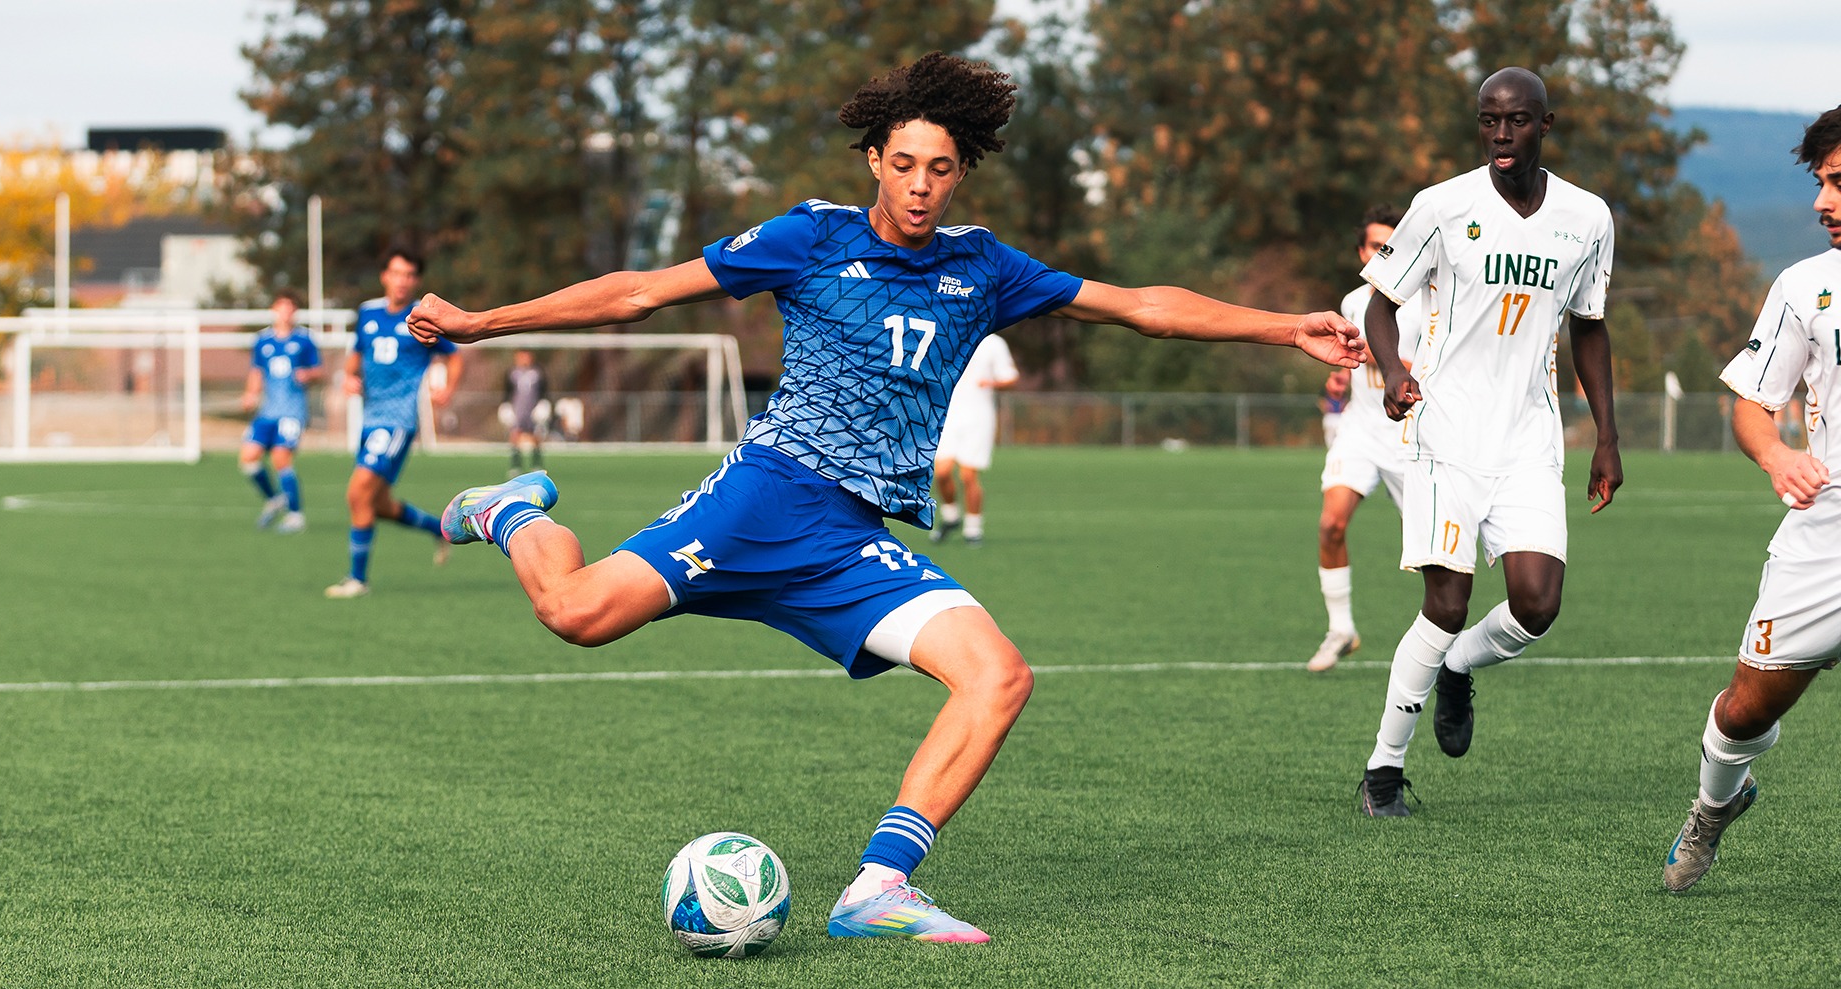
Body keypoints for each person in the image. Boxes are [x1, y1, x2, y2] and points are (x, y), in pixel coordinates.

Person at [409, 52, 1361, 941]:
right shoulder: (809, 238)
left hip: (849, 541)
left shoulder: (984, 266)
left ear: (961, 173)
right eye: (902, 164)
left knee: (998, 676)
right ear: (874, 159)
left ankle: (879, 887)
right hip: (763, 501)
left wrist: (1286, 329)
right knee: (574, 615)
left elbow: (1142, 307)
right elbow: (639, 293)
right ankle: (512, 510)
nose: (918, 185)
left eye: (939, 169)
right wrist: (481, 323)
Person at [1355, 67, 1621, 816]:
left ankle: (1459, 668)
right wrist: (1394, 370)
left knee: (1538, 605)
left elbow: (1590, 327)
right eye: (1488, 120)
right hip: (1445, 432)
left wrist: (1608, 435)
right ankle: (1383, 771)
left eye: (1517, 120)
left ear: (1546, 124)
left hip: (1529, 439)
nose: (1501, 134)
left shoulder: (1587, 217)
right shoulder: (1443, 206)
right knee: (1447, 603)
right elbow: (1381, 305)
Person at [1663, 106, 1841, 892]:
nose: (1823, 202)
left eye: (1839, 183)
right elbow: (1751, 404)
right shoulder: (1805, 287)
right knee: (1744, 711)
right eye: (1821, 183)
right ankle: (1713, 806)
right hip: (1827, 528)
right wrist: (1776, 454)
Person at [1308, 205, 1430, 672]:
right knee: (1330, 525)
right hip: (1359, 431)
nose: (1384, 253)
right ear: (1362, 252)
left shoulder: (1427, 300)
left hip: (1411, 437)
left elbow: (1434, 368)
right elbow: (1351, 363)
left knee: (1429, 555)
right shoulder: (1352, 302)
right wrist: (1341, 377)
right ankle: (1340, 629)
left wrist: (1387, 359)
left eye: (1391, 245)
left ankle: (1439, 643)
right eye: (1376, 246)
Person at [325, 247, 465, 599]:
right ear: (384, 276)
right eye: (397, 273)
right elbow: (356, 356)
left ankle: (357, 579)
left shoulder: (422, 317)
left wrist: (447, 388)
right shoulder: (368, 312)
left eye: (409, 275)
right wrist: (349, 378)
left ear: (416, 281)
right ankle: (438, 528)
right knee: (378, 504)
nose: (402, 281)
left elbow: (454, 356)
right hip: (369, 420)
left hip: (397, 421)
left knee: (357, 492)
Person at [239, 290, 323, 533]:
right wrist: (250, 394)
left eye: (290, 308)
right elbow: (257, 371)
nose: (285, 313)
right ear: (274, 310)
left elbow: (319, 370)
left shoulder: (305, 340)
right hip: (268, 412)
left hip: (292, 412)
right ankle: (274, 499)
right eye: (281, 307)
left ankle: (296, 516)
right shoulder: (263, 341)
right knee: (248, 457)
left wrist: (308, 374)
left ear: (295, 312)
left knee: (280, 458)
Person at [929, 331, 1019, 545]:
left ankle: (973, 529)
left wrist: (992, 383)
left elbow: (1011, 378)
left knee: (968, 475)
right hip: (947, 416)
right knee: (941, 472)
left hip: (978, 417)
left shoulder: (993, 343)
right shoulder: (947, 335)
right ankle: (951, 517)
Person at [503, 348, 550, 476]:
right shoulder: (512, 373)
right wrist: (506, 405)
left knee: (536, 436)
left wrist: (543, 404)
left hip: (533, 409)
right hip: (518, 409)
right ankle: (516, 465)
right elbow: (507, 391)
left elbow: (544, 390)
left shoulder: (538, 372)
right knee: (515, 435)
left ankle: (536, 464)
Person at [1319, 367, 1348, 448]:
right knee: (1330, 439)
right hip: (1330, 415)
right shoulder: (1326, 390)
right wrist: (1325, 408)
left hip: (1339, 415)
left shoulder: (1342, 389)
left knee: (1341, 437)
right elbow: (1321, 402)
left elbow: (1345, 402)